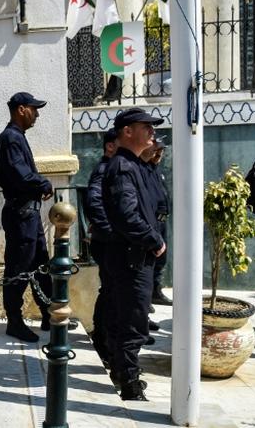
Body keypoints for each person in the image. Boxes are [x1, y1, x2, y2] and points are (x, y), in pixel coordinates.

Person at [102, 108, 166, 401]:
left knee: (128, 318)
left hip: (137, 257)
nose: (152, 132)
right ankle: (129, 384)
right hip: (131, 258)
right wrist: (153, 240)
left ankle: (122, 373)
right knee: (133, 322)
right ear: (127, 131)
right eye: (147, 127)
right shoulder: (122, 167)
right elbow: (126, 215)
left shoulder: (136, 165)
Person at [0, 92, 55, 343]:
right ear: (21, 109)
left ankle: (49, 314)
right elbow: (20, 175)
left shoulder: (17, 137)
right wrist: (43, 183)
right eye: (34, 108)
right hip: (20, 214)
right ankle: (14, 322)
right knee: (19, 268)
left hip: (28, 213)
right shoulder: (10, 138)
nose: (37, 113)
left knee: (41, 264)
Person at [84, 128, 118, 365]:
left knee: (112, 292)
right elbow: (93, 201)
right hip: (107, 242)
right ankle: (103, 341)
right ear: (109, 146)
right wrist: (109, 231)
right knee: (110, 292)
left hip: (111, 240)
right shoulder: (104, 170)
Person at [140, 137, 173, 307]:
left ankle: (155, 292)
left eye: (161, 150)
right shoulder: (143, 170)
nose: (159, 153)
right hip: (151, 221)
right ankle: (147, 297)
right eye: (156, 149)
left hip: (162, 221)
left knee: (161, 259)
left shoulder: (156, 170)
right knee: (151, 259)